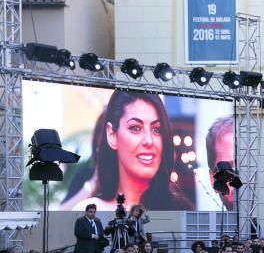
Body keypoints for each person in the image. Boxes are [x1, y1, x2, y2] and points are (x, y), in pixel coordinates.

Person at [61, 90, 193, 211]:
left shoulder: (180, 210)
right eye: (135, 128)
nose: (149, 140)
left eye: (156, 129)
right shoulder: (90, 211)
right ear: (112, 135)